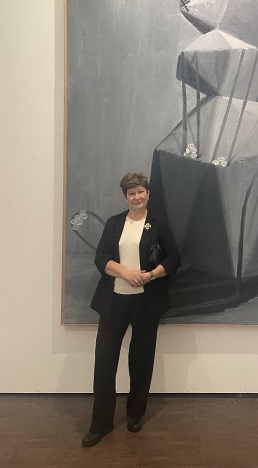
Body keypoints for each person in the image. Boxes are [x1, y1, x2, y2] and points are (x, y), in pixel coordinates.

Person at [82, 172, 181, 448]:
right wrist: (126, 272)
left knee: (141, 360)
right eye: (131, 193)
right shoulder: (114, 223)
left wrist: (150, 275)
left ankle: (135, 414)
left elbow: (174, 258)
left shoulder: (159, 223)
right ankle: (100, 423)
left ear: (148, 193)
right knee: (104, 361)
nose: (136, 197)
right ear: (125, 197)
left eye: (140, 192)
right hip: (113, 302)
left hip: (146, 303)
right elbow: (101, 257)